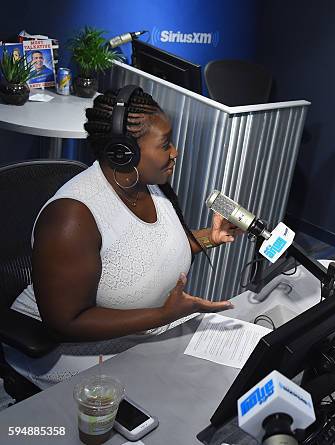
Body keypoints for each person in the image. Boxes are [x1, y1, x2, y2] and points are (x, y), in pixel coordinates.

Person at [5, 87, 239, 388]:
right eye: (165, 144)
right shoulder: (72, 218)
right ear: (123, 152)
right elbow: (65, 323)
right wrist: (162, 315)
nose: (175, 152)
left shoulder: (151, 184)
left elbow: (151, 250)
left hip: (147, 332)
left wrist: (208, 237)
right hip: (71, 349)